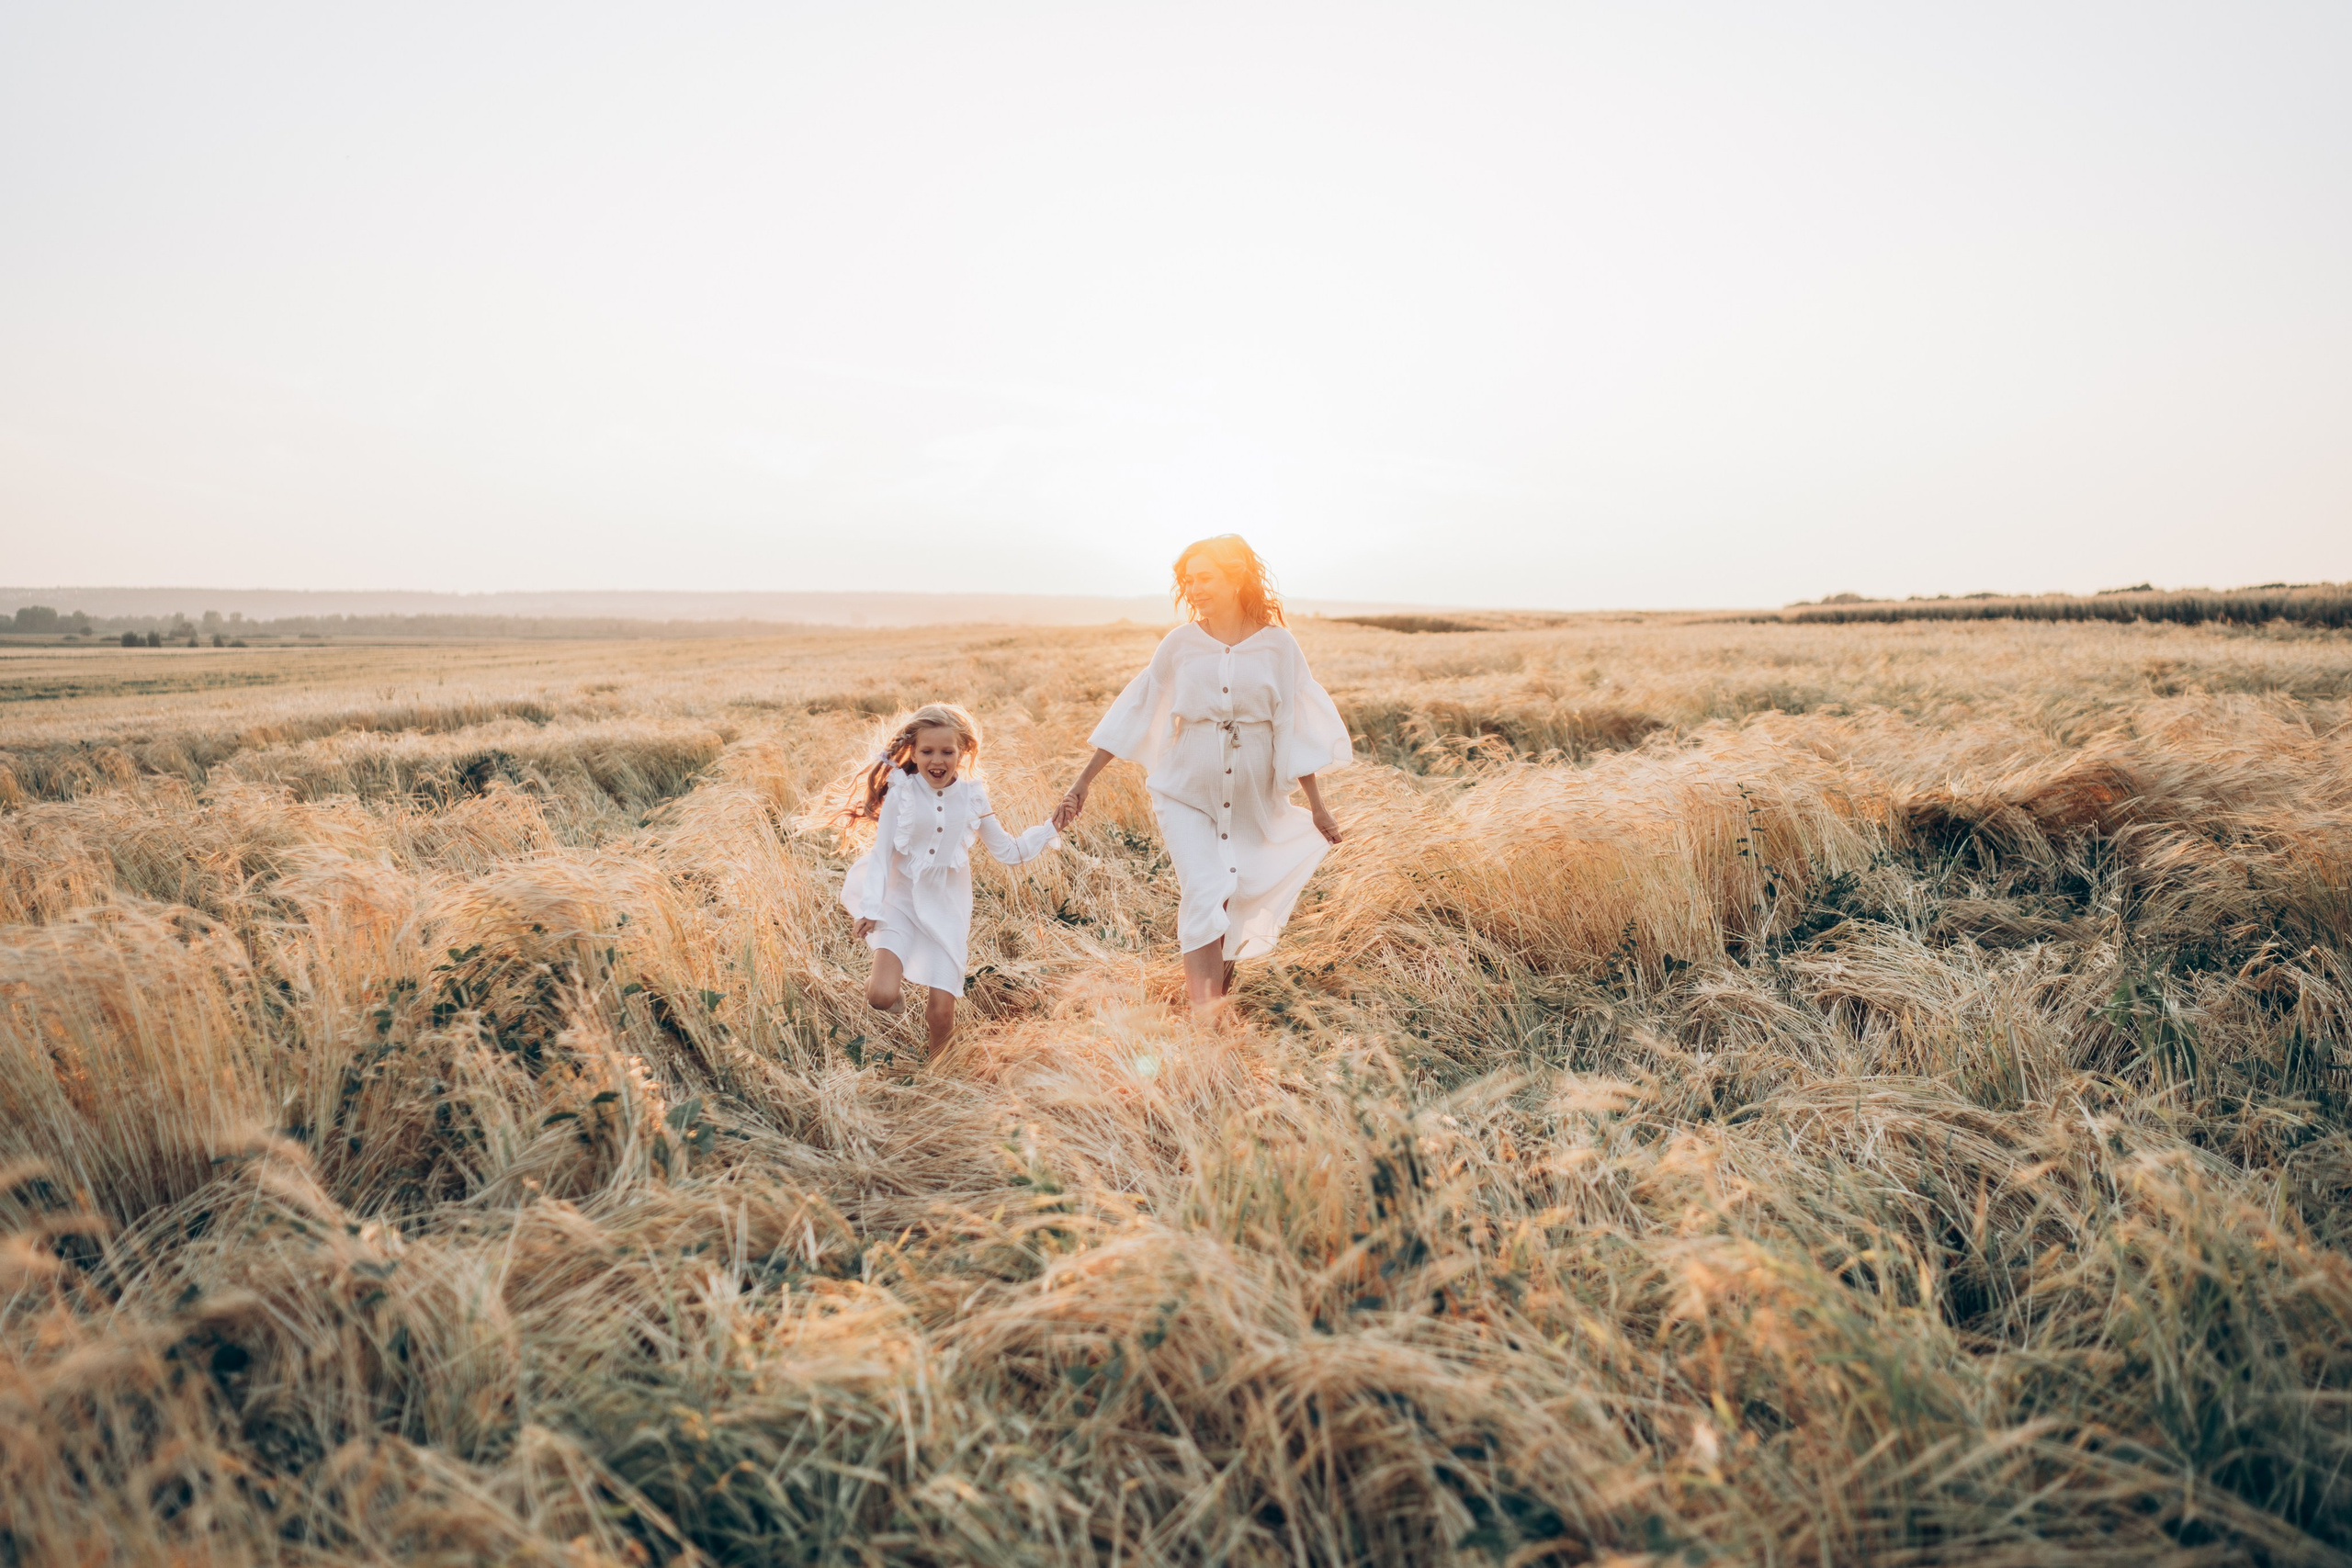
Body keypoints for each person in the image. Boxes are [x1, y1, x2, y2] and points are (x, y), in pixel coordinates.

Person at [1053, 536, 1353, 1015]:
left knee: (1234, 893)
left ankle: (1215, 999)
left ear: (1236, 576)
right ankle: (1205, 1025)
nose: (1194, 588)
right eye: (1187, 580)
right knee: (1205, 889)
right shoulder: (1180, 644)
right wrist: (1083, 780)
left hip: (1256, 795)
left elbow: (1292, 726)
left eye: (1205, 577)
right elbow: (1138, 708)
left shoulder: (1278, 644)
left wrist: (1316, 805)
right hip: (1185, 790)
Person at [840, 704, 1059, 1056]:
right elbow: (881, 855)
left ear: (964, 752)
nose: (936, 760)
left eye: (947, 751)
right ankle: (883, 984)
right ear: (913, 751)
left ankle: (939, 1073)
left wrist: (1051, 828)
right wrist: (870, 906)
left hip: (947, 908)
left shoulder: (973, 796)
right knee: (881, 996)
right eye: (927, 751)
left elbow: (1007, 850)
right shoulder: (902, 792)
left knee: (941, 1013)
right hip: (899, 901)